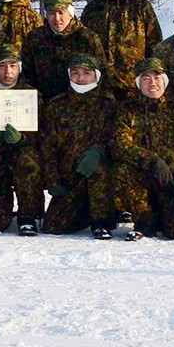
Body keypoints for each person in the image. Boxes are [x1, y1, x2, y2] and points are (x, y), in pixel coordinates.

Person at [111, 57, 174, 239]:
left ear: (165, 81)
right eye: (146, 78)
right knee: (120, 169)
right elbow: (120, 145)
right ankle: (144, 221)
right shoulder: (127, 111)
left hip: (172, 185)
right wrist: (152, 161)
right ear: (138, 83)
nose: (152, 83)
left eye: (157, 78)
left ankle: (165, 216)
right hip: (141, 183)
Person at [38, 53, 116, 236]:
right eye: (75, 73)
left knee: (100, 171)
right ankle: (84, 211)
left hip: (100, 177)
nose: (80, 78)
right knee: (53, 227)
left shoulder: (109, 105)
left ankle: (101, 221)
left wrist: (100, 151)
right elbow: (47, 145)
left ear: (97, 75)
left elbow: (117, 137)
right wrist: (53, 180)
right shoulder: (56, 105)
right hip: (70, 177)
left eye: (87, 73)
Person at [0, 47, 42, 234]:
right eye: (2, 67)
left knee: (28, 161)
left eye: (13, 66)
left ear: (19, 68)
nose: (8, 72)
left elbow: (41, 133)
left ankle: (28, 216)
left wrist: (21, 138)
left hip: (19, 152)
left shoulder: (31, 95)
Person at [82, 0, 164, 96]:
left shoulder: (140, 7)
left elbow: (155, 46)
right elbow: (83, 47)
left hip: (133, 87)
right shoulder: (92, 9)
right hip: (100, 90)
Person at [21, 0, 109, 99]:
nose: (57, 18)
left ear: (70, 14)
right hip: (44, 103)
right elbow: (26, 74)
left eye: (61, 12)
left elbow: (102, 75)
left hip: (79, 104)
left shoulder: (87, 37)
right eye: (52, 13)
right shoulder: (35, 38)